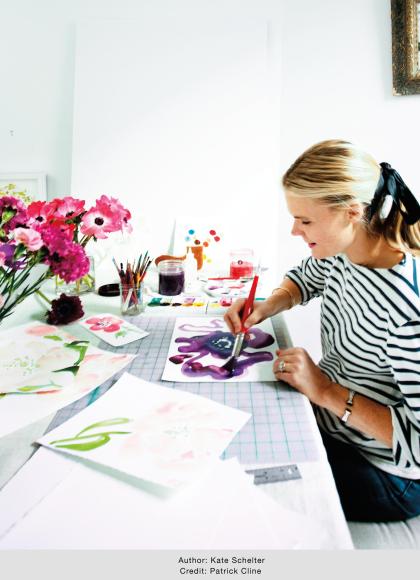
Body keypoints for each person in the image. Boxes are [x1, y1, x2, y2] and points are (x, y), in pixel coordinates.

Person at [224, 139, 420, 523]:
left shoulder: (407, 311)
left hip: (386, 474)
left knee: (240, 486)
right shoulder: (346, 250)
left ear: (352, 212)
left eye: (305, 220)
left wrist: (325, 390)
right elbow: (304, 278)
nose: (294, 230)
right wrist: (267, 305)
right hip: (334, 423)